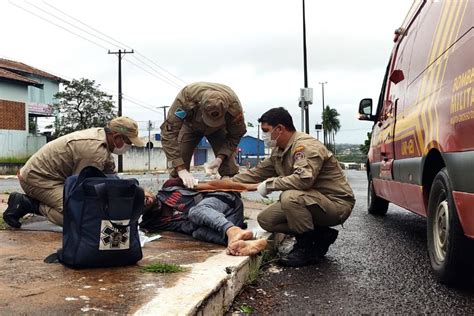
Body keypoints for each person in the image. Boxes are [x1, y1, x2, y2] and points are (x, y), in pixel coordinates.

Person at [229, 107, 355, 266]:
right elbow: (256, 173)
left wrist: (269, 185)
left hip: (336, 205)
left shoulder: (305, 147)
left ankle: (306, 248)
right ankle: (321, 235)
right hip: (312, 202)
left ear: (279, 129)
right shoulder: (279, 151)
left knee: (289, 197)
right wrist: (222, 182)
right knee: (266, 220)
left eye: (266, 130)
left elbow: (303, 180)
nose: (264, 136)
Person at [2, 116, 145, 228]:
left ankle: (37, 202)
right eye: (129, 142)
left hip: (53, 177)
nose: (129, 146)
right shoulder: (94, 150)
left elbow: (111, 178)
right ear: (116, 137)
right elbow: (81, 189)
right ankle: (28, 204)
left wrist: (134, 191)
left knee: (90, 211)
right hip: (37, 179)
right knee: (80, 217)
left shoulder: (103, 142)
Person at [140, 177, 267, 256]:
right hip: (230, 220)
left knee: (195, 211)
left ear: (145, 189)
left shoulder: (170, 186)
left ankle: (233, 231)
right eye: (137, 202)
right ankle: (246, 243)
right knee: (198, 233)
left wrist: (249, 187)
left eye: (140, 194)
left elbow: (212, 185)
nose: (142, 199)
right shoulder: (152, 223)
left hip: (226, 201)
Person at [160, 82, 247, 188]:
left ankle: (231, 193)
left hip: (219, 129)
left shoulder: (234, 107)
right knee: (179, 161)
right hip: (191, 126)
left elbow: (236, 134)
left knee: (229, 167)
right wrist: (180, 169)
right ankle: (176, 191)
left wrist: (220, 158)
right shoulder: (186, 99)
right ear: (200, 106)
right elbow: (168, 133)